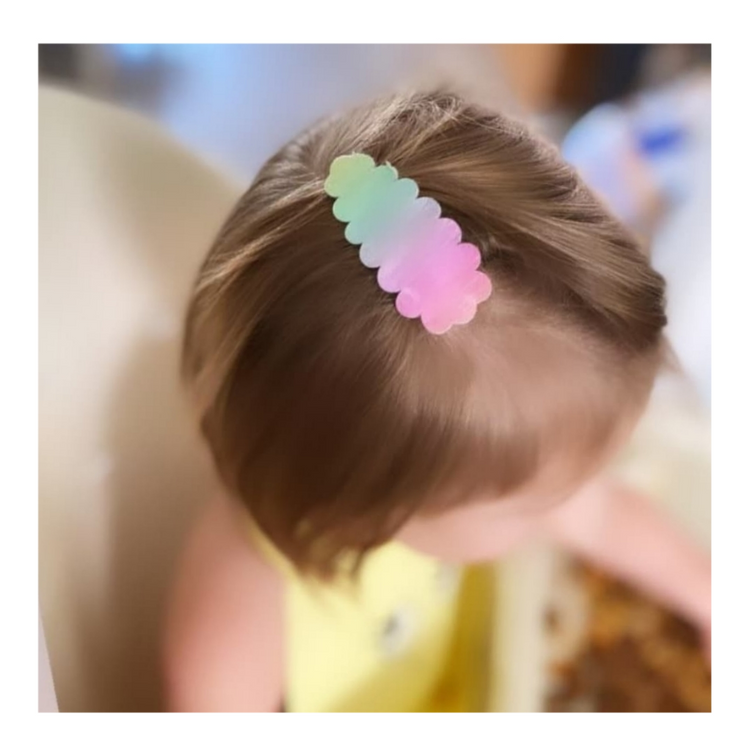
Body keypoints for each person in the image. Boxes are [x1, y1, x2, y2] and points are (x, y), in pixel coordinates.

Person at [162, 92, 710, 712]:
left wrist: (711, 597)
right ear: (368, 511)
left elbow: (600, 514)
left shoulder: (461, 473)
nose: (561, 510)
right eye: (530, 509)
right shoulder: (239, 615)